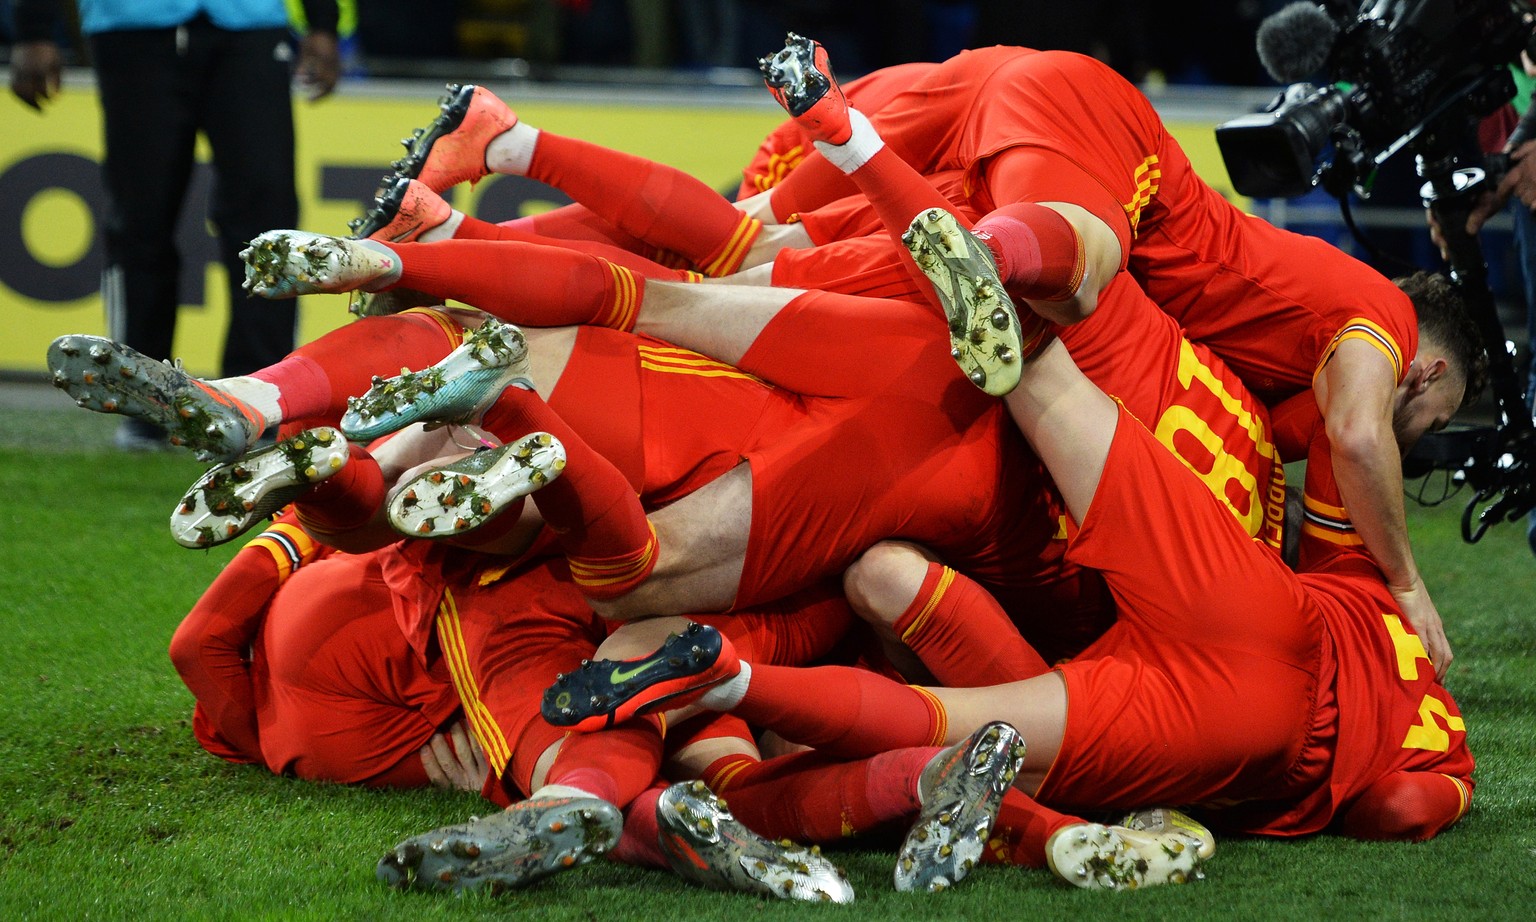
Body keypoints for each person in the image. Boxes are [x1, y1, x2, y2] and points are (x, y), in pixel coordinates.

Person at [545, 210, 1477, 873]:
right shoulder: (1443, 756)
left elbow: (1343, 454)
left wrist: (1404, 582)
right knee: (951, 716)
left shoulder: (1365, 582)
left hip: (1259, 596)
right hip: (1254, 724)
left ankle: (1012, 302)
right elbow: (1401, 806)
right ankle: (719, 691)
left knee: (1033, 406)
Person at [753, 34, 1460, 675]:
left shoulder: (1284, 378)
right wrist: (1406, 583)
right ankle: (984, 261)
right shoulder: (1386, 322)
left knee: (753, 240)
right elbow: (1362, 438)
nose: (1413, 441)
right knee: (1074, 285)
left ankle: (852, 157)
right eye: (1428, 423)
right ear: (1427, 370)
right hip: (1101, 157)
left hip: (990, 96)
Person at [8, 0, 341, 451]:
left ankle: (260, 398)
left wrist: (322, 23)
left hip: (249, 23)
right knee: (140, 216)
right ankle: (143, 403)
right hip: (134, 24)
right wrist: (33, 29)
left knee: (267, 213)